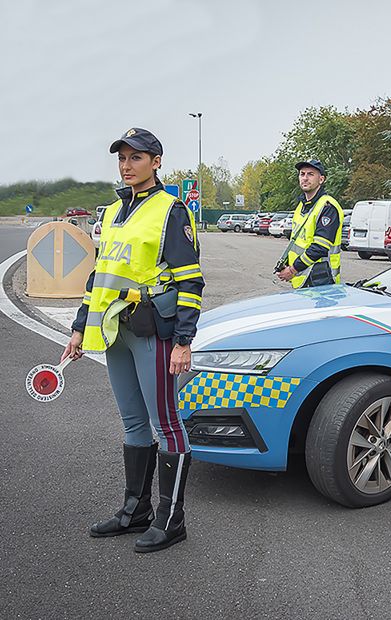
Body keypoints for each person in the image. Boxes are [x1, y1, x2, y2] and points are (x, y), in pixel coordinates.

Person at [61, 127, 204, 553]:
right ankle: (134, 510)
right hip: (115, 331)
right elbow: (98, 276)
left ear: (156, 162)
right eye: (122, 158)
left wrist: (183, 340)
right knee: (133, 423)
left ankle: (171, 517)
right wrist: (79, 327)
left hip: (152, 331)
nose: (126, 166)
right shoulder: (109, 213)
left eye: (136, 158)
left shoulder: (171, 210)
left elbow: (190, 280)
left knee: (166, 423)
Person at [275, 159, 344, 288]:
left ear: (321, 179)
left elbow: (319, 248)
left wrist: (292, 270)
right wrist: (287, 264)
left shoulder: (328, 207)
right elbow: (298, 242)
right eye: (302, 174)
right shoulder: (301, 206)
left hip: (321, 279)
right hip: (303, 279)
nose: (305, 178)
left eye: (310, 174)